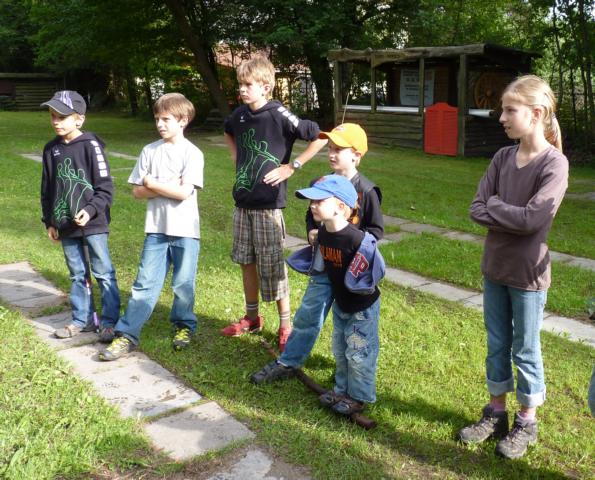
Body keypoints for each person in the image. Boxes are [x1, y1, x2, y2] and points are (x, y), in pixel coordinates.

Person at [459, 75, 568, 459]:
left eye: (509, 110)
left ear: (536, 114)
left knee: (525, 348)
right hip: (495, 268)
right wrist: (506, 212)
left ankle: (527, 421)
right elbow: (476, 208)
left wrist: (497, 207)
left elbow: (532, 220)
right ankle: (497, 413)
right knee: (497, 345)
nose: (502, 117)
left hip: (528, 276)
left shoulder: (554, 164)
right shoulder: (502, 158)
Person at [250, 123, 383, 384]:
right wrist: (312, 230)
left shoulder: (367, 191)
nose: (331, 154)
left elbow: (375, 231)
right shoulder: (320, 184)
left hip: (352, 276)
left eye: (338, 150)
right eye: (330, 148)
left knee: (350, 325)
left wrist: (355, 245)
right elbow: (311, 215)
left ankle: (349, 372)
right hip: (324, 265)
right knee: (309, 314)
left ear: (356, 155)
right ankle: (289, 361)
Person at [220, 56, 327, 351]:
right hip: (243, 203)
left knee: (273, 266)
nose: (242, 89)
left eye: (247, 84)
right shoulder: (240, 115)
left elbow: (319, 136)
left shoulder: (278, 113)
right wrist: (236, 158)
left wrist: (292, 167)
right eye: (240, 84)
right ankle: (252, 318)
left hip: (268, 207)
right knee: (246, 261)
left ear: (266, 86)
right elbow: (228, 131)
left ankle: (285, 325)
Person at [99, 93, 204, 361]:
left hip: (186, 231)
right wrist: (168, 186)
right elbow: (137, 191)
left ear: (183, 120)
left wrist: (153, 184)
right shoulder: (149, 151)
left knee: (183, 284)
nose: (160, 124)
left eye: (166, 119)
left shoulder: (193, 153)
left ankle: (183, 325)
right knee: (144, 283)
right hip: (156, 230)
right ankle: (127, 334)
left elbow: (184, 193)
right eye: (157, 119)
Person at [285, 175, 384, 415]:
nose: (312, 206)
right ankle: (341, 390)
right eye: (311, 201)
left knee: (359, 352)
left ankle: (358, 397)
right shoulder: (323, 234)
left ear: (340, 206)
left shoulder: (357, 239)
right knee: (340, 350)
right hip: (341, 304)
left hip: (361, 309)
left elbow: (377, 269)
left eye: (319, 201)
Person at [40, 90, 121, 342]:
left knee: (103, 272)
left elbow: (106, 187)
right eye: (53, 116)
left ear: (79, 119)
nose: (56, 121)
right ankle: (82, 320)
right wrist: (49, 221)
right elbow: (47, 189)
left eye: (62, 117)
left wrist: (91, 210)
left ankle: (109, 322)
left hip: (93, 223)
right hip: (65, 225)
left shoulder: (91, 145)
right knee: (77, 274)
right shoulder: (50, 149)